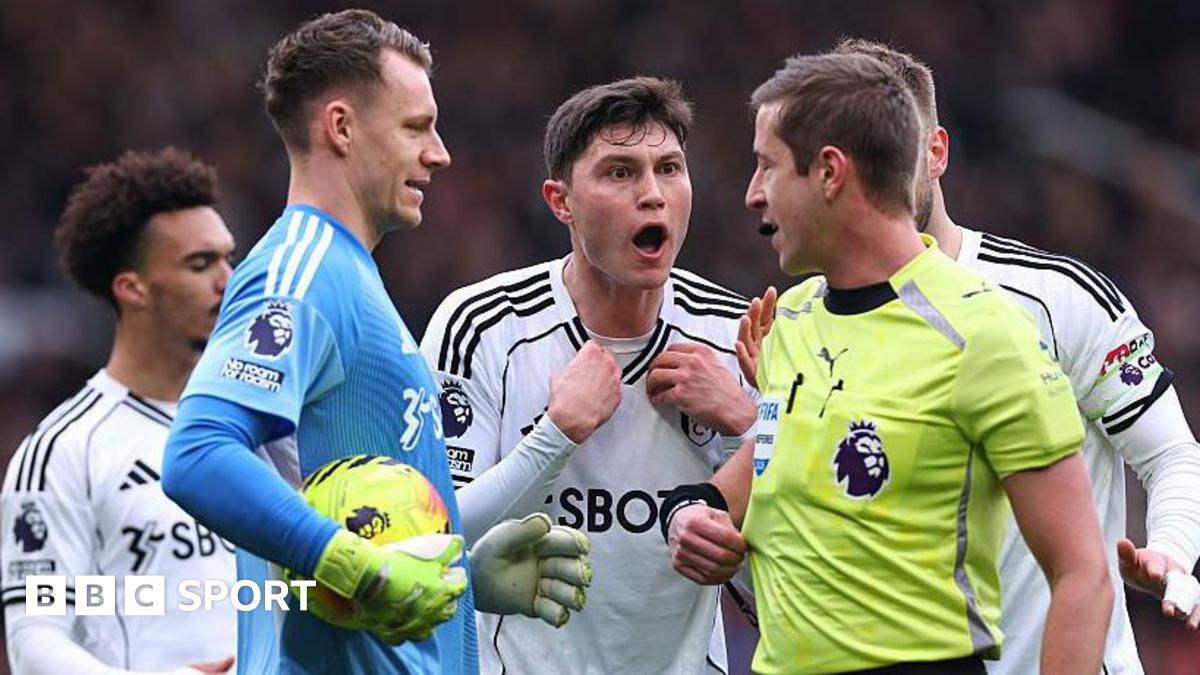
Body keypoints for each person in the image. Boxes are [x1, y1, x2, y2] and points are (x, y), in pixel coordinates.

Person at [701, 39, 1200, 674]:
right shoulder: (800, 319)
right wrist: (745, 437)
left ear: (931, 150)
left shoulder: (1046, 302)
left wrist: (1175, 552)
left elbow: (1171, 453)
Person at [160, 10, 591, 675]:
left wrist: (460, 576)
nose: (439, 151)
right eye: (416, 126)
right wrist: (351, 567)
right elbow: (197, 452)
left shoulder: (351, 275)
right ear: (340, 127)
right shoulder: (298, 273)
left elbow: (356, 512)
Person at [420, 77, 759, 674]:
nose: (652, 194)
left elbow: (780, 577)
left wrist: (744, 428)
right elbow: (431, 537)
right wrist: (557, 433)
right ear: (560, 201)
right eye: (620, 172)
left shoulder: (736, 335)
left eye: (670, 168)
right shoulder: (481, 326)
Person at [2, 148, 238, 674]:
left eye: (229, 259)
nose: (228, 280)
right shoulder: (64, 451)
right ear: (132, 289)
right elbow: (33, 639)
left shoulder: (263, 427)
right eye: (201, 264)